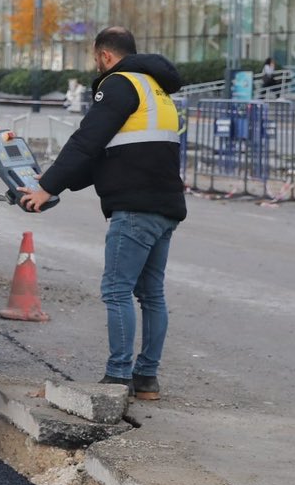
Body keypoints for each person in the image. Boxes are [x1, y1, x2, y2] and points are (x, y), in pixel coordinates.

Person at [19, 26, 185, 402]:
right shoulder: (155, 90)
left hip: (135, 208)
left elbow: (86, 140)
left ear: (105, 56)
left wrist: (46, 189)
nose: (98, 66)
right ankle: (146, 380)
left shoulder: (118, 83)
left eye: (97, 60)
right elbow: (114, 152)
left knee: (116, 289)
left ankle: (118, 376)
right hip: (165, 207)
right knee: (152, 294)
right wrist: (55, 182)